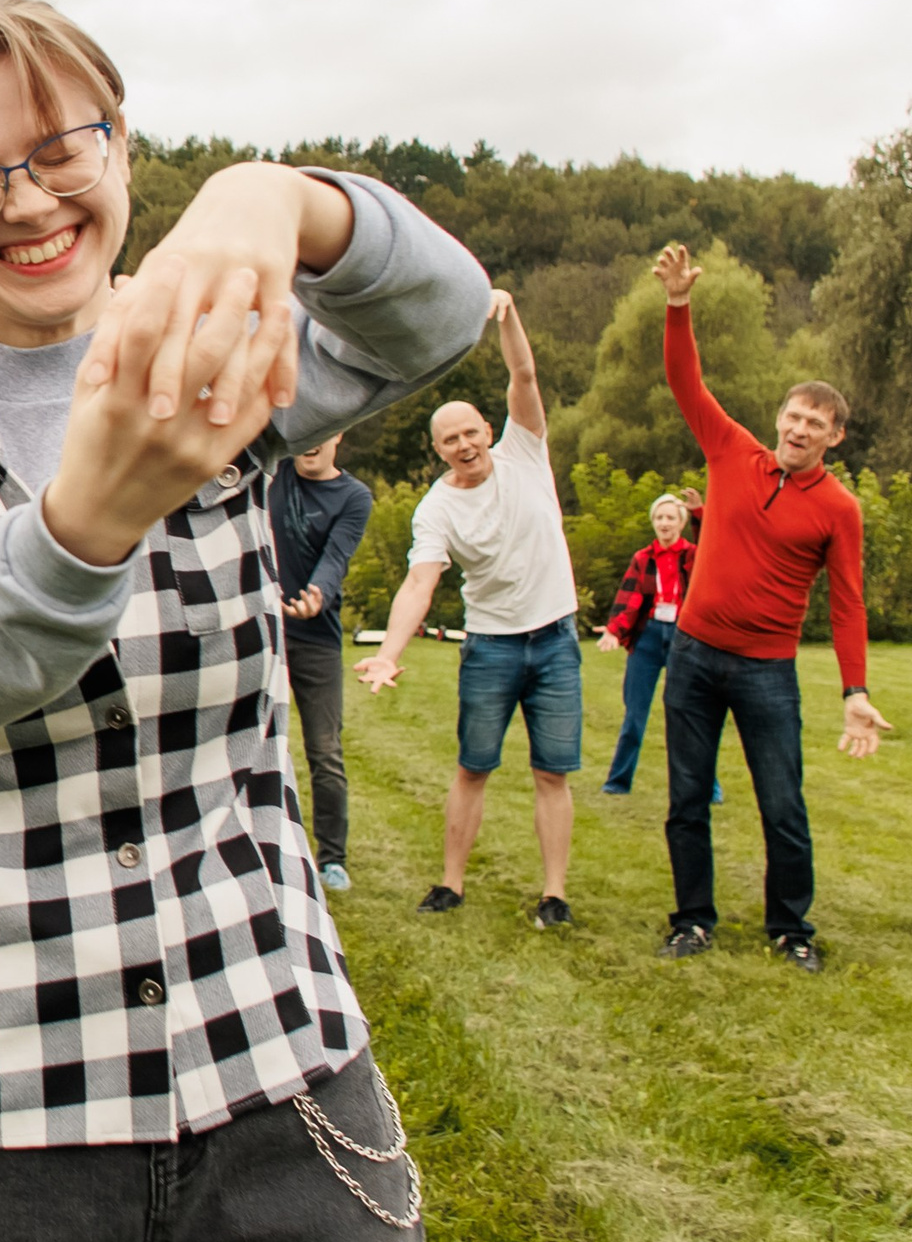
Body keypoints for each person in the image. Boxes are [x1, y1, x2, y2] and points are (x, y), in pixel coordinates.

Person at [0, 0, 482, 1242]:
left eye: (60, 152)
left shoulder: (209, 355)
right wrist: (96, 509)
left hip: (280, 1083)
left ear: (117, 147)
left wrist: (277, 198)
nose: (31, 204)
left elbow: (438, 310)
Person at [649, 244, 886, 974]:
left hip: (766, 670)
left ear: (833, 437)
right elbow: (685, 380)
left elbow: (847, 603)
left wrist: (856, 691)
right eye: (793, 414)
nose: (799, 428)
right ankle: (692, 919)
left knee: (782, 803)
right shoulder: (732, 451)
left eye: (815, 423)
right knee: (687, 797)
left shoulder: (839, 508)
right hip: (691, 655)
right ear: (778, 417)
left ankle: (792, 927)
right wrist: (679, 303)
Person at [357, 290, 581, 930]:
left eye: (471, 432)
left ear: (490, 430)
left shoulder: (525, 452)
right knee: (472, 767)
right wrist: (389, 654)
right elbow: (419, 584)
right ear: (439, 449)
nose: (464, 445)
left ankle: (555, 894)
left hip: (557, 640)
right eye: (450, 439)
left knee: (551, 772)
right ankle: (451, 883)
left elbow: (525, 375)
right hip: (491, 647)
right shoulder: (437, 508)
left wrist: (509, 317)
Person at [271, 433, 373, 894]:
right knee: (255, 744)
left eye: (323, 432)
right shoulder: (273, 473)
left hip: (316, 639)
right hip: (261, 630)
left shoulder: (353, 496)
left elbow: (336, 558)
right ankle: (261, 847)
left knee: (325, 751)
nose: (311, 441)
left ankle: (332, 859)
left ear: (341, 433)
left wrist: (317, 595)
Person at [595, 492, 700, 795]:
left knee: (692, 715)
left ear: (680, 523)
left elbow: (712, 542)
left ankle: (707, 786)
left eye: (670, 518)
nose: (664, 523)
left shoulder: (694, 555)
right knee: (634, 715)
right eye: (659, 518)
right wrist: (614, 631)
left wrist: (698, 512)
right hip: (649, 637)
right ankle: (618, 781)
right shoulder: (644, 558)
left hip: (685, 636)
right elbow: (630, 598)